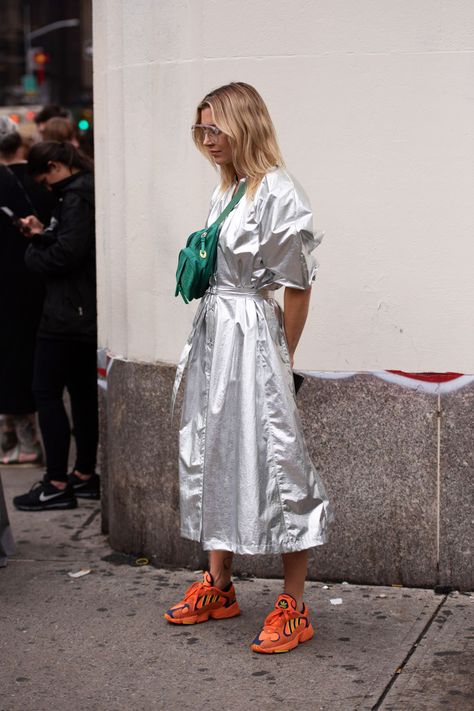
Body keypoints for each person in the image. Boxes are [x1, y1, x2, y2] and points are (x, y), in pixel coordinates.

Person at [164, 83, 333, 654]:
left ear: (245, 125)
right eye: (201, 131)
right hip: (217, 336)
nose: (208, 141)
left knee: (278, 458)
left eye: (217, 129)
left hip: (254, 341)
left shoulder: (279, 191)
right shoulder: (229, 189)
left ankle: (294, 602)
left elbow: (298, 285)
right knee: (214, 449)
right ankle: (219, 583)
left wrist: (282, 362)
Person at [12, 141, 100, 511]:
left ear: (55, 165)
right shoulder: (86, 191)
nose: (47, 187)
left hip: (66, 315)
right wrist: (43, 233)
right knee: (81, 394)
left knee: (45, 393)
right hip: (81, 313)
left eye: (46, 178)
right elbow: (69, 244)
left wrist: (34, 251)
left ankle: (56, 482)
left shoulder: (78, 196)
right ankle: (81, 475)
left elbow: (68, 254)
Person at [0, 117, 54, 466]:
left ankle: (22, 439)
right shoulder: (40, 183)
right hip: (35, 279)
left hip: (8, 283)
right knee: (25, 357)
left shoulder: (10, 182)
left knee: (10, 358)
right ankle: (19, 436)